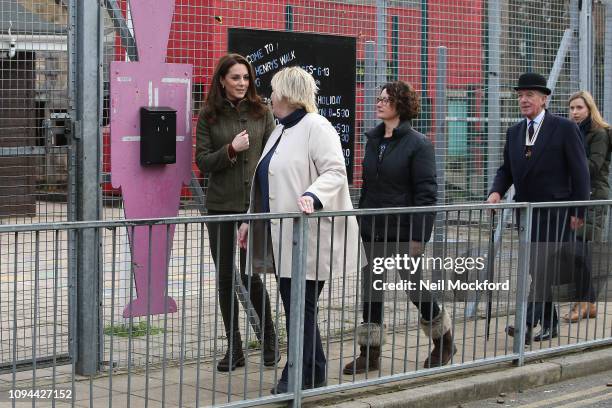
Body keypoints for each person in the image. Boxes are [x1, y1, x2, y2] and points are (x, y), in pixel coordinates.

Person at [237, 66, 362, 394]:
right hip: (282, 238)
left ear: (290, 95)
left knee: (299, 309)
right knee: (298, 309)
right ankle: (313, 372)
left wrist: (312, 195)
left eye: (275, 91)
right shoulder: (280, 130)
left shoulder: (317, 128)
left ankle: (296, 377)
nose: (270, 97)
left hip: (308, 238)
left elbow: (335, 171)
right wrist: (252, 221)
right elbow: (267, 180)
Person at [343, 81, 455, 375]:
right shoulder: (373, 141)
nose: (378, 103)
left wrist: (419, 236)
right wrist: (360, 222)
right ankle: (370, 353)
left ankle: (444, 340)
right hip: (372, 229)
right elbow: (367, 186)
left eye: (385, 99)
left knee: (414, 286)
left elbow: (426, 194)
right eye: (378, 99)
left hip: (403, 232)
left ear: (400, 106)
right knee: (371, 290)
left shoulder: (419, 144)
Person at [487, 73, 590, 344]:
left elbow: (580, 173)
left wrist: (579, 212)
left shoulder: (564, 128)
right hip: (528, 212)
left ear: (544, 99)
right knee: (536, 268)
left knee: (544, 267)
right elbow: (506, 169)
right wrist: (496, 192)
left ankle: (527, 320)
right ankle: (550, 323)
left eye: (529, 95)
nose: (523, 100)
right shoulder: (515, 132)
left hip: (556, 211)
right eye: (520, 95)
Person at [195, 53, 278, 371]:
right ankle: (235, 348)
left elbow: (273, 157)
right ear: (222, 81)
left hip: (251, 207)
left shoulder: (262, 112)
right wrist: (230, 150)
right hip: (220, 207)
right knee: (226, 277)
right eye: (235, 78)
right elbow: (202, 161)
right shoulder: (209, 116)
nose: (242, 83)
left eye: (246, 78)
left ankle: (270, 338)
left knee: (250, 275)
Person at [563, 91, 610, 322]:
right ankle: (588, 303)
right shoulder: (574, 132)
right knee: (577, 251)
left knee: (580, 250)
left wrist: (564, 172)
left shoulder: (598, 134)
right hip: (579, 197)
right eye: (571, 108)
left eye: (579, 108)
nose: (574, 112)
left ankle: (582, 303)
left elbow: (592, 167)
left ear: (589, 109)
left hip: (593, 197)